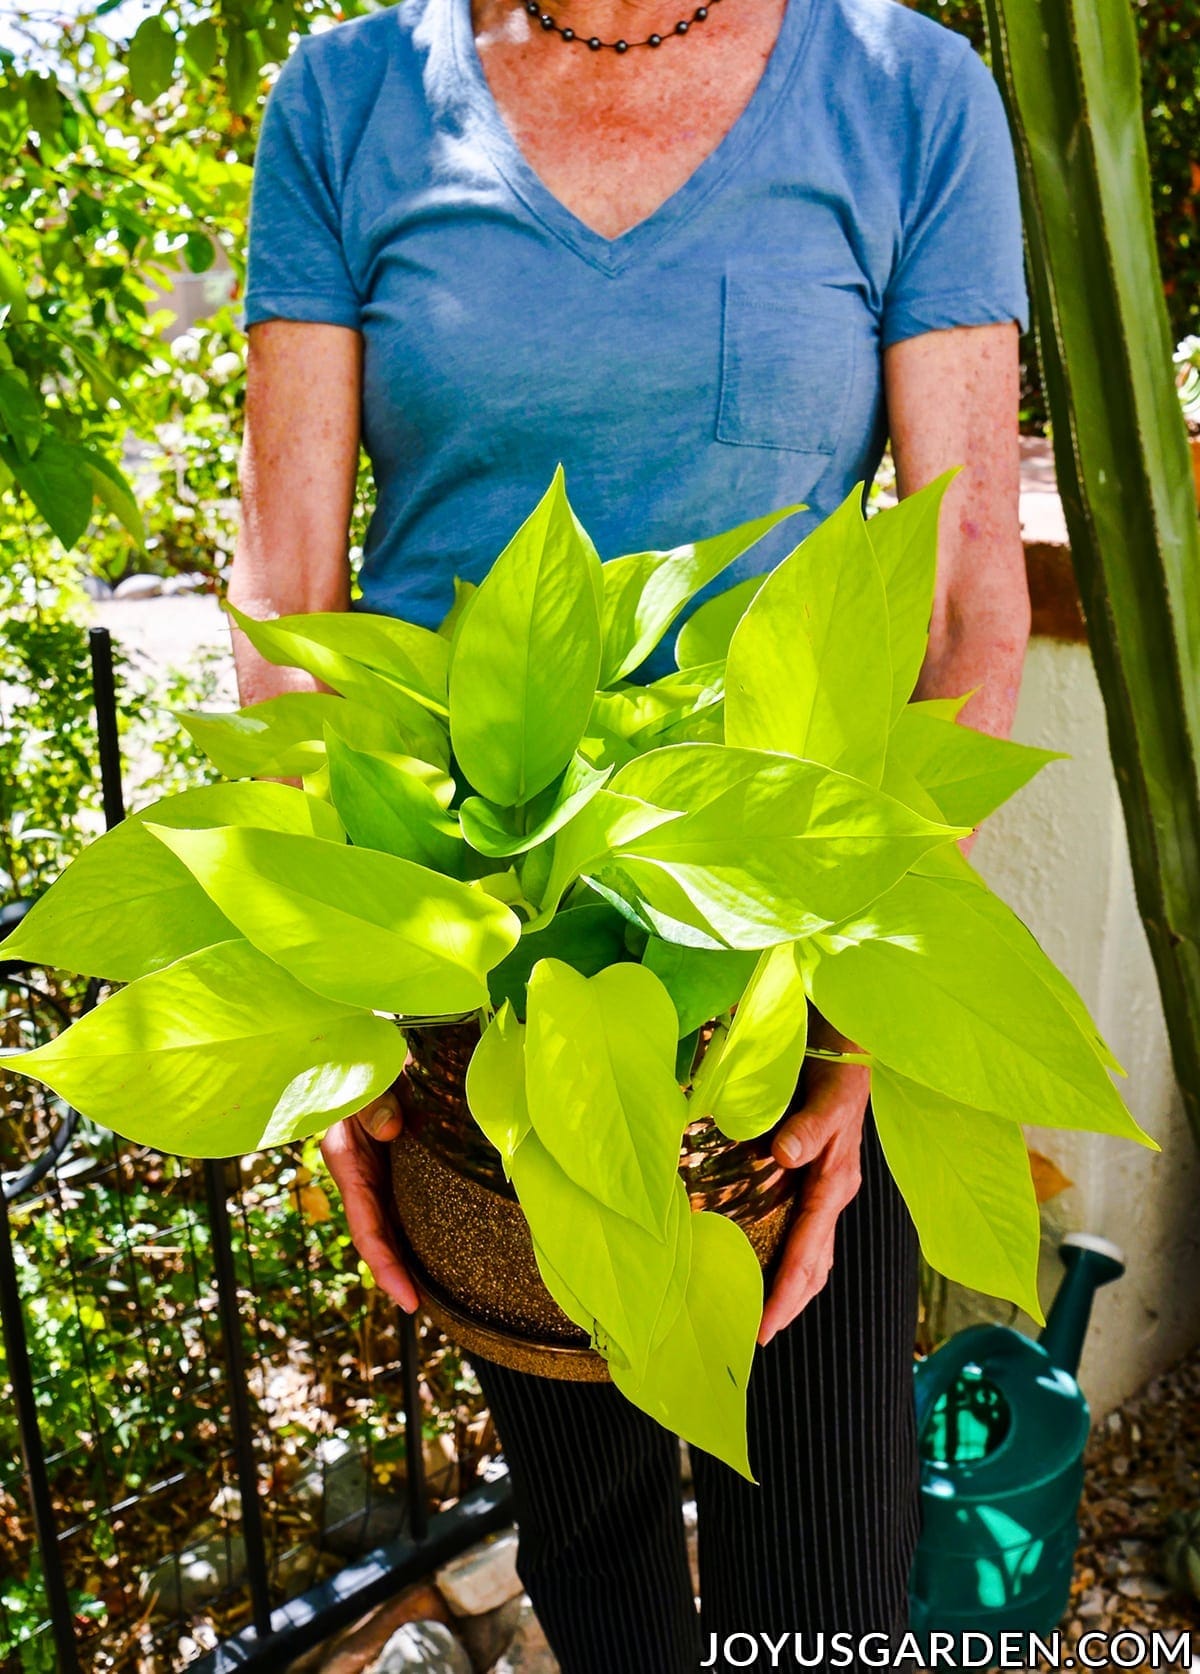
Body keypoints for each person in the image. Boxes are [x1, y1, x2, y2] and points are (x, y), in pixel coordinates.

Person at [229, 1, 1031, 1667]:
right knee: (590, 1539)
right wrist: (336, 1009)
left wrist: (865, 1026)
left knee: (821, 1561)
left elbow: (965, 606)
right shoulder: (350, 99)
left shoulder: (902, 94)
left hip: (791, 959)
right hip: (481, 978)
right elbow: (284, 596)